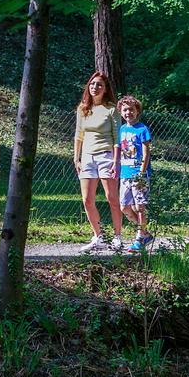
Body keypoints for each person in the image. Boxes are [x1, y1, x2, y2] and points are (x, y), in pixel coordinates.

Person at [72, 72, 124, 253]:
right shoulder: (83, 108)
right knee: (87, 200)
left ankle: (117, 237)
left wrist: (116, 161)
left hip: (106, 157)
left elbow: (117, 138)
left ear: (106, 88)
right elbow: (79, 136)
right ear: (89, 87)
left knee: (112, 198)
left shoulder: (111, 109)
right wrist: (76, 158)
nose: (95, 87)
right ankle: (98, 236)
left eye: (100, 85)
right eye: (93, 84)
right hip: (87, 158)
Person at [116, 95, 154, 253]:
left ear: (137, 111)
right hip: (125, 174)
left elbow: (146, 153)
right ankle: (144, 233)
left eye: (131, 109)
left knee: (139, 207)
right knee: (124, 206)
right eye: (125, 110)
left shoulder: (142, 129)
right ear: (120, 112)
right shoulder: (122, 129)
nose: (128, 112)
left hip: (139, 175)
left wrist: (141, 173)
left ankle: (139, 238)